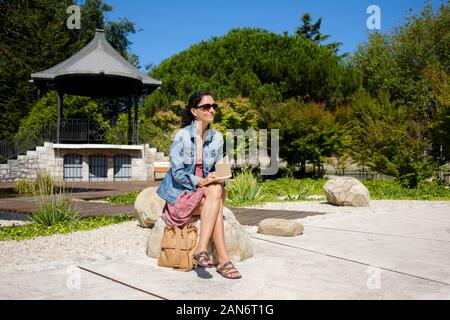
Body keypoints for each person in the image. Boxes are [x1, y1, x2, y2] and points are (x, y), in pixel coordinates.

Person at [156, 91, 242, 280]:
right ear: (194, 111)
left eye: (214, 106)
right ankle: (224, 260)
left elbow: (221, 169)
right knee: (217, 205)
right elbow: (177, 173)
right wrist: (201, 181)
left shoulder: (217, 138)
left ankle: (202, 248)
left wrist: (218, 177)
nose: (212, 110)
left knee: (218, 189)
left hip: (206, 194)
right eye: (206, 107)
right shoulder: (182, 136)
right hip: (181, 194)